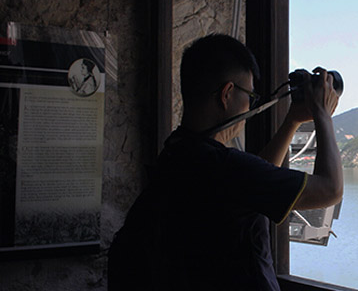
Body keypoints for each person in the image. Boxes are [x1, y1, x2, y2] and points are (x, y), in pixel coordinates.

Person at [108, 34, 343, 290]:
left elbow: (251, 183)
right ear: (227, 94)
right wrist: (323, 114)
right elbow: (330, 189)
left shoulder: (177, 153)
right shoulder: (223, 166)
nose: (249, 106)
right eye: (250, 96)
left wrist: (292, 121)